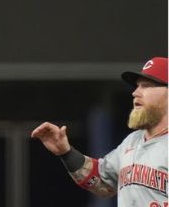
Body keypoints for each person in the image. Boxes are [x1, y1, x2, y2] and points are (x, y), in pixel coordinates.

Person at [31, 57, 168, 206]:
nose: (135, 92)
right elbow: (102, 182)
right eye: (137, 86)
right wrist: (66, 152)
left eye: (147, 86)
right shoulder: (132, 141)